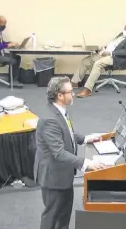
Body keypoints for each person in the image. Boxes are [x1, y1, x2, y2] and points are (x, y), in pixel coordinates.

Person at [34, 76, 106, 229]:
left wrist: (85, 138)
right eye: (70, 92)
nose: (73, 94)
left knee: (64, 214)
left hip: (63, 174)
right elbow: (59, 153)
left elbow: (67, 133)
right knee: (52, 215)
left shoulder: (59, 111)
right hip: (53, 177)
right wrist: (86, 163)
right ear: (59, 95)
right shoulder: (49, 120)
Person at [72, 22, 126, 98]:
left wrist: (110, 52)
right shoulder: (121, 34)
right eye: (125, 29)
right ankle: (75, 82)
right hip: (105, 53)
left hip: (115, 58)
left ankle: (87, 89)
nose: (125, 31)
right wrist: (102, 49)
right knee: (86, 61)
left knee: (98, 64)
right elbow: (113, 44)